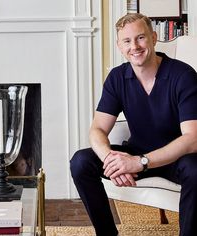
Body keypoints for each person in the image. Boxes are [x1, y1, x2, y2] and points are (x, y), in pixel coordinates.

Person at [70, 12, 197, 236]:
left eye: (140, 38)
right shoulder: (117, 78)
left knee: (196, 168)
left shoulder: (183, 75)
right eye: (127, 41)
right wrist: (110, 160)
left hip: (175, 159)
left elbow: (192, 139)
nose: (134, 47)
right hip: (137, 152)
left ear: (154, 38)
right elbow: (98, 129)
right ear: (120, 46)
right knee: (81, 161)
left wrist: (141, 163)